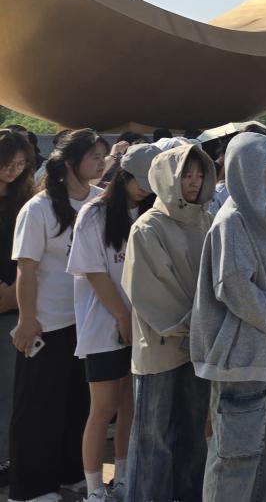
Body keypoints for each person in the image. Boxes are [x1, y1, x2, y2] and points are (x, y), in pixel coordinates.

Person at [191, 132, 266, 502]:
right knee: (235, 458)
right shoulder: (232, 221)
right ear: (248, 167)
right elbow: (235, 287)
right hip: (243, 359)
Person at [10, 129, 107, 502]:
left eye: (103, 155)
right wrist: (27, 319)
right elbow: (27, 268)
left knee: (79, 404)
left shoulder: (100, 201)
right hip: (48, 323)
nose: (102, 163)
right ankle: (32, 488)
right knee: (39, 408)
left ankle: (72, 473)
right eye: (95, 156)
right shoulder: (38, 208)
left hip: (90, 323)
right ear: (70, 162)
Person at [122, 144, 216, 502]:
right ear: (166, 178)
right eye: (185, 175)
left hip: (199, 345)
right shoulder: (147, 227)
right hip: (160, 349)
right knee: (153, 438)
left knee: (194, 432)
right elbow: (148, 292)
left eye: (199, 175)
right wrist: (196, 323)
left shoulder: (207, 220)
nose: (194, 182)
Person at [68, 143, 161, 502]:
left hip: (140, 326)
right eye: (141, 181)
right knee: (103, 408)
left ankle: (123, 478)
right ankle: (94, 488)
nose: (146, 189)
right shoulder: (95, 213)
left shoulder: (150, 210)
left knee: (129, 407)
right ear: (123, 175)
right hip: (103, 325)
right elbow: (94, 273)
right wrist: (122, 316)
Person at [0, 129, 36, 492]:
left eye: (21, 164)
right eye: (8, 164)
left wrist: (14, 293)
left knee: (10, 389)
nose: (13, 171)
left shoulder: (25, 201)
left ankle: (6, 459)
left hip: (15, 303)